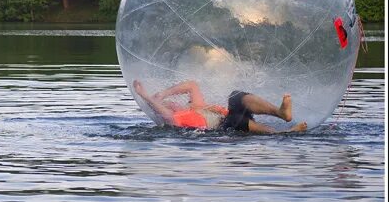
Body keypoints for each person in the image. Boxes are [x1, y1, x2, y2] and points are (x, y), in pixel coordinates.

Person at [132, 80, 308, 134]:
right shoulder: (176, 119)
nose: (170, 104)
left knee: (235, 96)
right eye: (166, 106)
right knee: (234, 119)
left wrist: (162, 94)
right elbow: (163, 113)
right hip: (225, 126)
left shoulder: (195, 106)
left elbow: (191, 85)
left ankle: (281, 112)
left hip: (232, 115)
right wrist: (146, 97)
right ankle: (284, 133)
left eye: (169, 102)